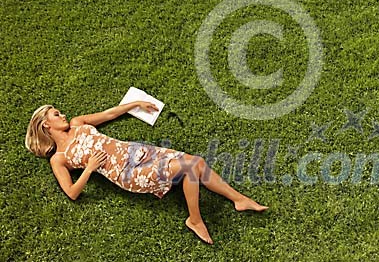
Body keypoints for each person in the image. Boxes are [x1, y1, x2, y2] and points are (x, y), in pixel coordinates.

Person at [25, 101, 268, 244]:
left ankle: (238, 200)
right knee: (190, 167)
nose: (63, 114)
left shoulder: (79, 123)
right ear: (46, 125)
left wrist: (134, 104)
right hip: (127, 173)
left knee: (197, 162)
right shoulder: (59, 159)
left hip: (137, 151)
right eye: (56, 114)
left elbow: (110, 114)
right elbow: (71, 193)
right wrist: (89, 169)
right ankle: (194, 219)